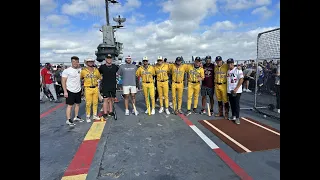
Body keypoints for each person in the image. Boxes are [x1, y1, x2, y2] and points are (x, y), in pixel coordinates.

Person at [61, 56, 84, 126]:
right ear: (71, 62)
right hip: (70, 90)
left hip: (78, 90)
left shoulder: (80, 70)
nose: (75, 63)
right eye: (73, 62)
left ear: (78, 62)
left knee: (77, 104)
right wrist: (65, 91)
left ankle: (76, 116)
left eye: (76, 62)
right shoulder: (67, 71)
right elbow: (63, 81)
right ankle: (68, 119)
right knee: (70, 105)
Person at [80, 58, 102, 122]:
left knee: (95, 102)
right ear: (86, 63)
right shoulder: (83, 71)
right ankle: (88, 116)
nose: (90, 63)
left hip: (95, 88)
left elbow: (100, 77)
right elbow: (81, 78)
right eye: (89, 62)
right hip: (88, 88)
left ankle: (95, 115)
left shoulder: (96, 70)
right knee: (88, 103)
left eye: (92, 62)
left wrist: (98, 80)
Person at [99, 54, 119, 118]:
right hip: (105, 86)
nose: (109, 59)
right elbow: (98, 74)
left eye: (110, 58)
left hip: (113, 85)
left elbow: (119, 73)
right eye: (108, 58)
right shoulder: (102, 67)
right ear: (105, 59)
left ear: (112, 59)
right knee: (105, 99)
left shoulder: (115, 67)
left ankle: (110, 111)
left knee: (111, 99)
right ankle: (105, 112)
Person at [226, 58, 244, 125]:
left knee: (236, 104)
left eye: (231, 63)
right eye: (228, 64)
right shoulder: (228, 71)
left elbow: (241, 79)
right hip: (230, 90)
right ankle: (233, 115)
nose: (229, 65)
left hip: (237, 90)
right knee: (232, 103)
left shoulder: (238, 70)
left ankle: (237, 117)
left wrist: (236, 89)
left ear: (233, 63)